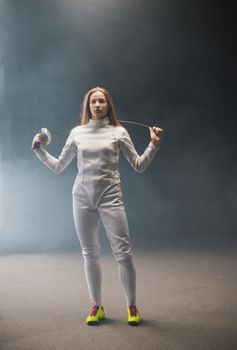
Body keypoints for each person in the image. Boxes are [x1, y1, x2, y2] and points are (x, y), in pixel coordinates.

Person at [32, 86, 164, 326]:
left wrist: (153, 145)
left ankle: (132, 306)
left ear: (108, 105)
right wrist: (39, 149)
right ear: (88, 106)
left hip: (110, 196)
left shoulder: (119, 132)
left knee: (123, 252)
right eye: (93, 101)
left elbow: (138, 164)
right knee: (89, 253)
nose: (97, 105)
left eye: (101, 101)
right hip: (81, 197)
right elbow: (59, 166)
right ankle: (96, 306)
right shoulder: (77, 133)